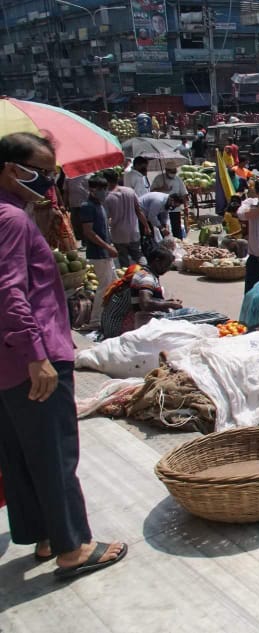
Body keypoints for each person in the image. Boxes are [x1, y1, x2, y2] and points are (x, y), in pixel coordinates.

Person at [0, 132, 127, 579]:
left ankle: (46, 535)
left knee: (22, 453)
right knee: (55, 453)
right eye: (41, 170)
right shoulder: (10, 220)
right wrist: (37, 355)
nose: (50, 180)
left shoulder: (14, 214)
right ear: (12, 169)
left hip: (7, 362)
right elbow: (10, 291)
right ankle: (73, 546)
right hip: (34, 356)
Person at [100, 247, 182, 338]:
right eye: (167, 264)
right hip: (118, 328)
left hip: (112, 324)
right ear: (157, 261)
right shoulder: (147, 278)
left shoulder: (143, 273)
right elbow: (145, 304)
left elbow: (143, 300)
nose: (168, 268)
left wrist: (167, 302)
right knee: (189, 313)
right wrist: (169, 304)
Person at [76, 174, 117, 329]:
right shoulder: (87, 206)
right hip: (98, 254)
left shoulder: (99, 205)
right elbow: (88, 232)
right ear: (92, 189)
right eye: (101, 189)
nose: (105, 192)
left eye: (106, 188)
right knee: (104, 287)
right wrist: (107, 247)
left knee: (113, 284)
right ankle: (95, 320)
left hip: (105, 253)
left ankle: (107, 314)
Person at [102, 169, 152, 268]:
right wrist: (147, 226)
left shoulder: (107, 197)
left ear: (106, 181)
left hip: (118, 233)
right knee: (138, 254)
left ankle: (127, 277)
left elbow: (106, 218)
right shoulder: (130, 191)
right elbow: (139, 211)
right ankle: (147, 270)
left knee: (123, 258)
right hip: (134, 231)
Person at [150, 165, 188, 238]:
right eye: (171, 172)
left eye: (174, 172)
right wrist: (162, 188)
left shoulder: (178, 179)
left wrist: (186, 206)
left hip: (175, 209)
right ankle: (165, 243)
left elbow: (183, 193)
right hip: (162, 208)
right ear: (167, 171)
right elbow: (152, 191)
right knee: (164, 228)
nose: (173, 173)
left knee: (176, 228)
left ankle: (178, 241)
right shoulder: (159, 178)